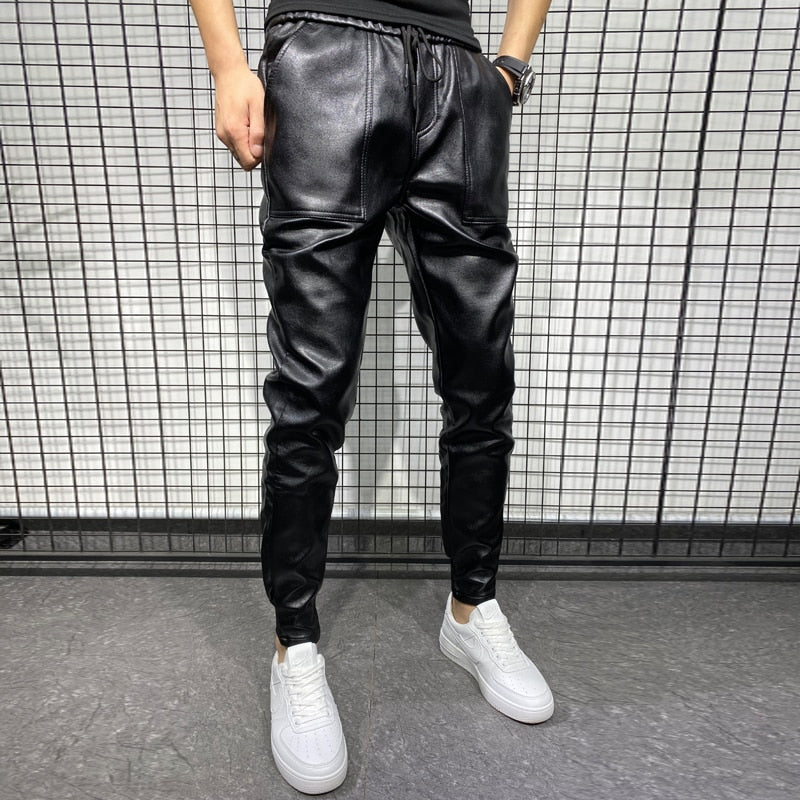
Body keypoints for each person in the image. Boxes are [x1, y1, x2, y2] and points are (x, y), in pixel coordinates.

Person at [190, 0, 554, 793]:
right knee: (311, 389)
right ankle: (295, 645)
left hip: (460, 77)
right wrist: (227, 63)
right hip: (326, 56)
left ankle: (472, 610)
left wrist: (508, 68)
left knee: (482, 373)